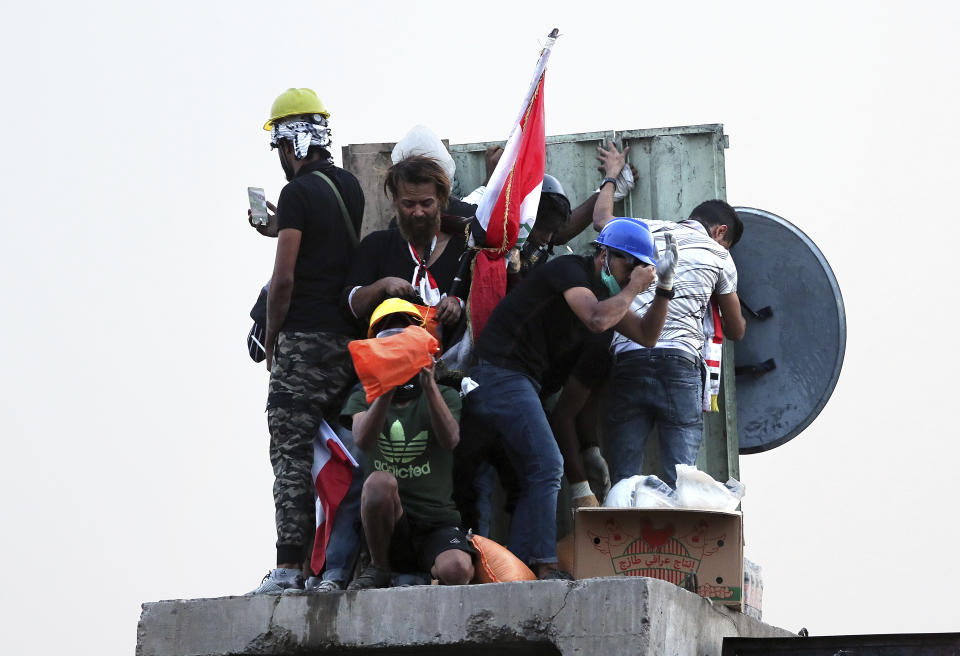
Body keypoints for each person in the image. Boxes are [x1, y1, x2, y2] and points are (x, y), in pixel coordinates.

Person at [461, 218, 678, 578]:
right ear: (604, 255)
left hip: (520, 382)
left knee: (524, 475)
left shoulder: (609, 298)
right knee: (546, 466)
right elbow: (595, 318)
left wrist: (664, 289)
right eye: (628, 265)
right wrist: (633, 288)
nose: (630, 277)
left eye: (639, 269)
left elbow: (646, 334)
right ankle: (544, 565)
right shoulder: (570, 271)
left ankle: (516, 569)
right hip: (499, 373)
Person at [249, 88, 366, 594]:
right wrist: (279, 225)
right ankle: (337, 564)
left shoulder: (299, 192)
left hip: (305, 342)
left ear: (290, 142)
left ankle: (289, 568)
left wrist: (273, 341)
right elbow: (329, 247)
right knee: (343, 451)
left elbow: (286, 280)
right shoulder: (349, 186)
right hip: (346, 340)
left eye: (278, 148)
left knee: (292, 455)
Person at [593, 141, 746, 488]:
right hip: (680, 365)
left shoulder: (646, 229)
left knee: (624, 483)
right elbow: (736, 330)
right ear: (720, 232)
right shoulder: (720, 256)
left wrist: (613, 174)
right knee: (681, 484)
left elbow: (601, 220)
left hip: (629, 357)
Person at [342, 300, 476, 589]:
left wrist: (427, 384)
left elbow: (450, 439)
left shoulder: (444, 394)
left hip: (436, 523)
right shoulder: (364, 396)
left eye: (403, 337)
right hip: (390, 525)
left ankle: (429, 575)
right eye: (387, 339)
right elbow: (363, 440)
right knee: (378, 483)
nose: (396, 346)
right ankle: (379, 569)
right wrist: (386, 387)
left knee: (458, 569)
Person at [345, 156, 469, 342]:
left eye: (426, 204)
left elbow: (483, 306)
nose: (418, 212)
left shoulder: (463, 249)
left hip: (454, 367)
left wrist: (457, 303)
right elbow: (352, 306)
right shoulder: (376, 246)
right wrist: (382, 285)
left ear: (441, 199)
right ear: (395, 200)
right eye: (409, 204)